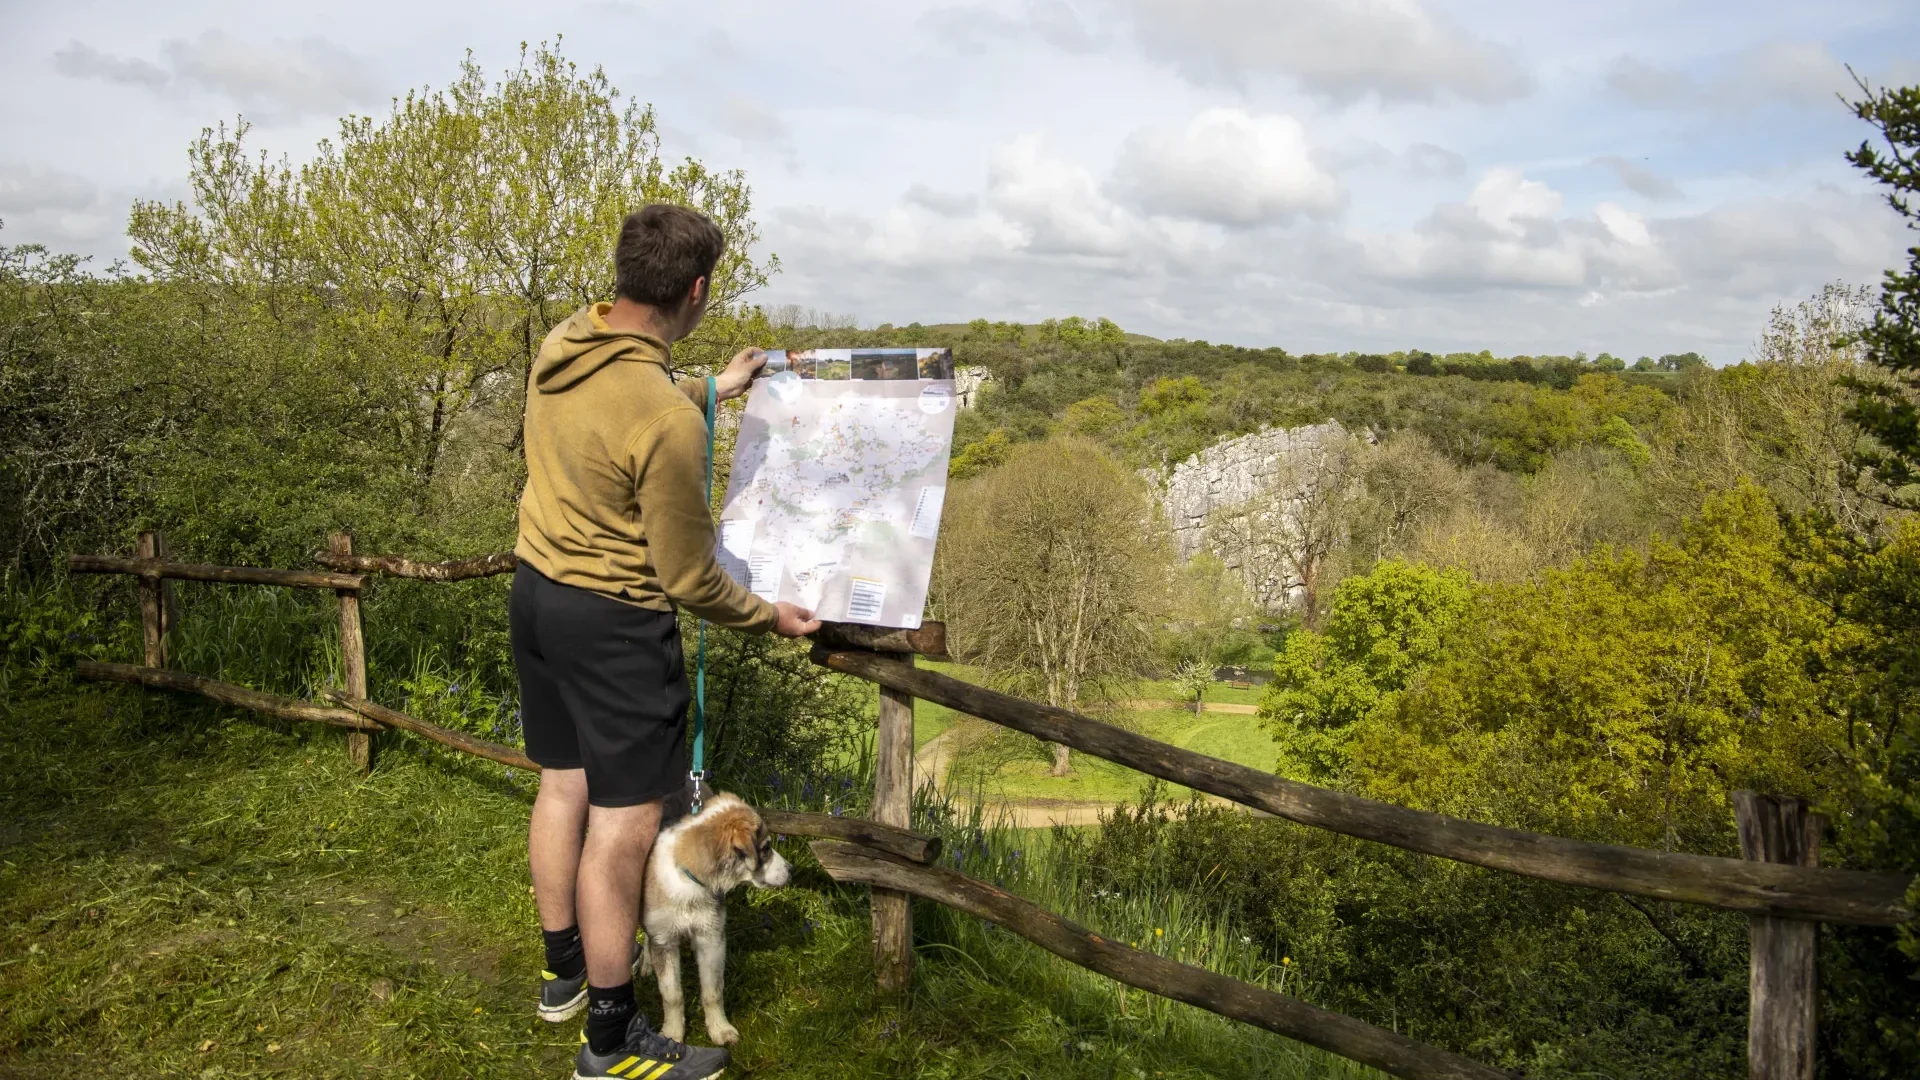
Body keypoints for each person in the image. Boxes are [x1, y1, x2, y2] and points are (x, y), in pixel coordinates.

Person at [510, 203, 821, 1080]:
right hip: (613, 625)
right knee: (621, 827)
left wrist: (714, 389)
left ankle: (562, 972)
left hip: (537, 596)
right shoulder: (665, 420)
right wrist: (772, 615)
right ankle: (610, 1043)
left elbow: (628, 405)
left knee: (562, 784)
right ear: (696, 290)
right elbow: (689, 580)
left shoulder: (567, 342)